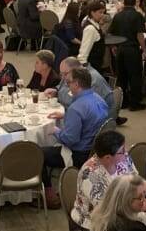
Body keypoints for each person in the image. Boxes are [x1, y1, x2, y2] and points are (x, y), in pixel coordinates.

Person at [43, 68, 109, 207]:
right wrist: (66, 115)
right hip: (96, 151)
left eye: (68, 82)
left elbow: (70, 140)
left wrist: (55, 130)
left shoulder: (76, 107)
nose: (67, 86)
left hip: (79, 155)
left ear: (77, 84)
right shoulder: (100, 100)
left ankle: (50, 196)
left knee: (38, 154)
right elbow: (89, 119)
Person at [109, 0, 146, 111]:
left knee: (121, 77)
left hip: (120, 49)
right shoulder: (137, 16)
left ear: (124, 2)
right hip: (132, 49)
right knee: (135, 76)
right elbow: (140, 34)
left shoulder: (117, 16)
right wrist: (144, 49)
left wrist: (114, 47)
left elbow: (111, 34)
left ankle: (123, 102)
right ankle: (135, 103)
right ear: (135, 2)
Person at [78, 1, 106, 71]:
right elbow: (83, 53)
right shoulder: (90, 29)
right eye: (100, 12)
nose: (102, 15)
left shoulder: (95, 24)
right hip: (92, 67)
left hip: (97, 64)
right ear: (92, 13)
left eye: (103, 12)